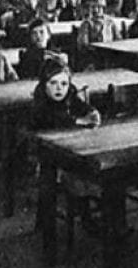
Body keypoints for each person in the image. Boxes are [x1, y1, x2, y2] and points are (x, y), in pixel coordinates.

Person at [30, 58, 102, 232]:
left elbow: (81, 106)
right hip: (48, 158)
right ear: (43, 84)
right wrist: (79, 121)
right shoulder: (40, 104)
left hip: (72, 151)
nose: (59, 88)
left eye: (63, 83)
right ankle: (85, 218)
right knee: (79, 175)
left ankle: (93, 219)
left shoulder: (70, 94)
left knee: (92, 169)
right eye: (53, 83)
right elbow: (56, 119)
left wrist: (92, 112)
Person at [76, 0, 122, 69]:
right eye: (93, 7)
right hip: (94, 58)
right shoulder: (86, 24)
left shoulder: (110, 22)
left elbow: (119, 39)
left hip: (110, 56)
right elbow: (83, 45)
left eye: (99, 7)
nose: (96, 10)